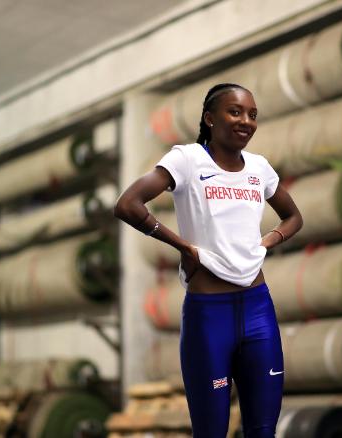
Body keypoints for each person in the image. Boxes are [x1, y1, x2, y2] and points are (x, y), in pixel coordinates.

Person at [114, 83, 303, 437]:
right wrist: (182, 246)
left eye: (252, 114)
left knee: (263, 430)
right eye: (235, 111)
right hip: (209, 314)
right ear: (209, 118)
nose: (245, 120)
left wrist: (268, 241)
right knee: (211, 431)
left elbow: (294, 217)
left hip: (258, 308)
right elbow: (128, 205)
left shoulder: (259, 168)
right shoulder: (187, 160)